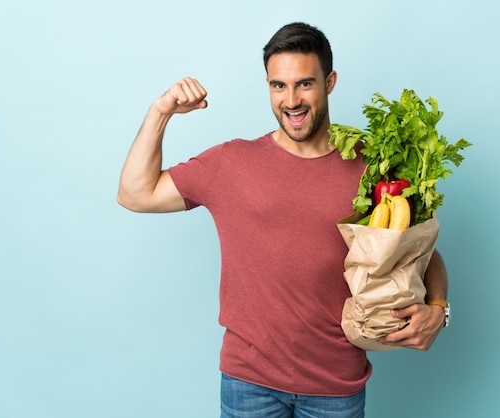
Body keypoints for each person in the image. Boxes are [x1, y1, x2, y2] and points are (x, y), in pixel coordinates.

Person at [117, 22, 449, 418]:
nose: (291, 100)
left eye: (305, 84)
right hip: (248, 384)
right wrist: (161, 112)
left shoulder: (373, 166)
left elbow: (422, 253)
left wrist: (440, 308)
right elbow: (135, 194)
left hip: (336, 387)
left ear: (330, 81)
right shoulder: (231, 163)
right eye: (278, 86)